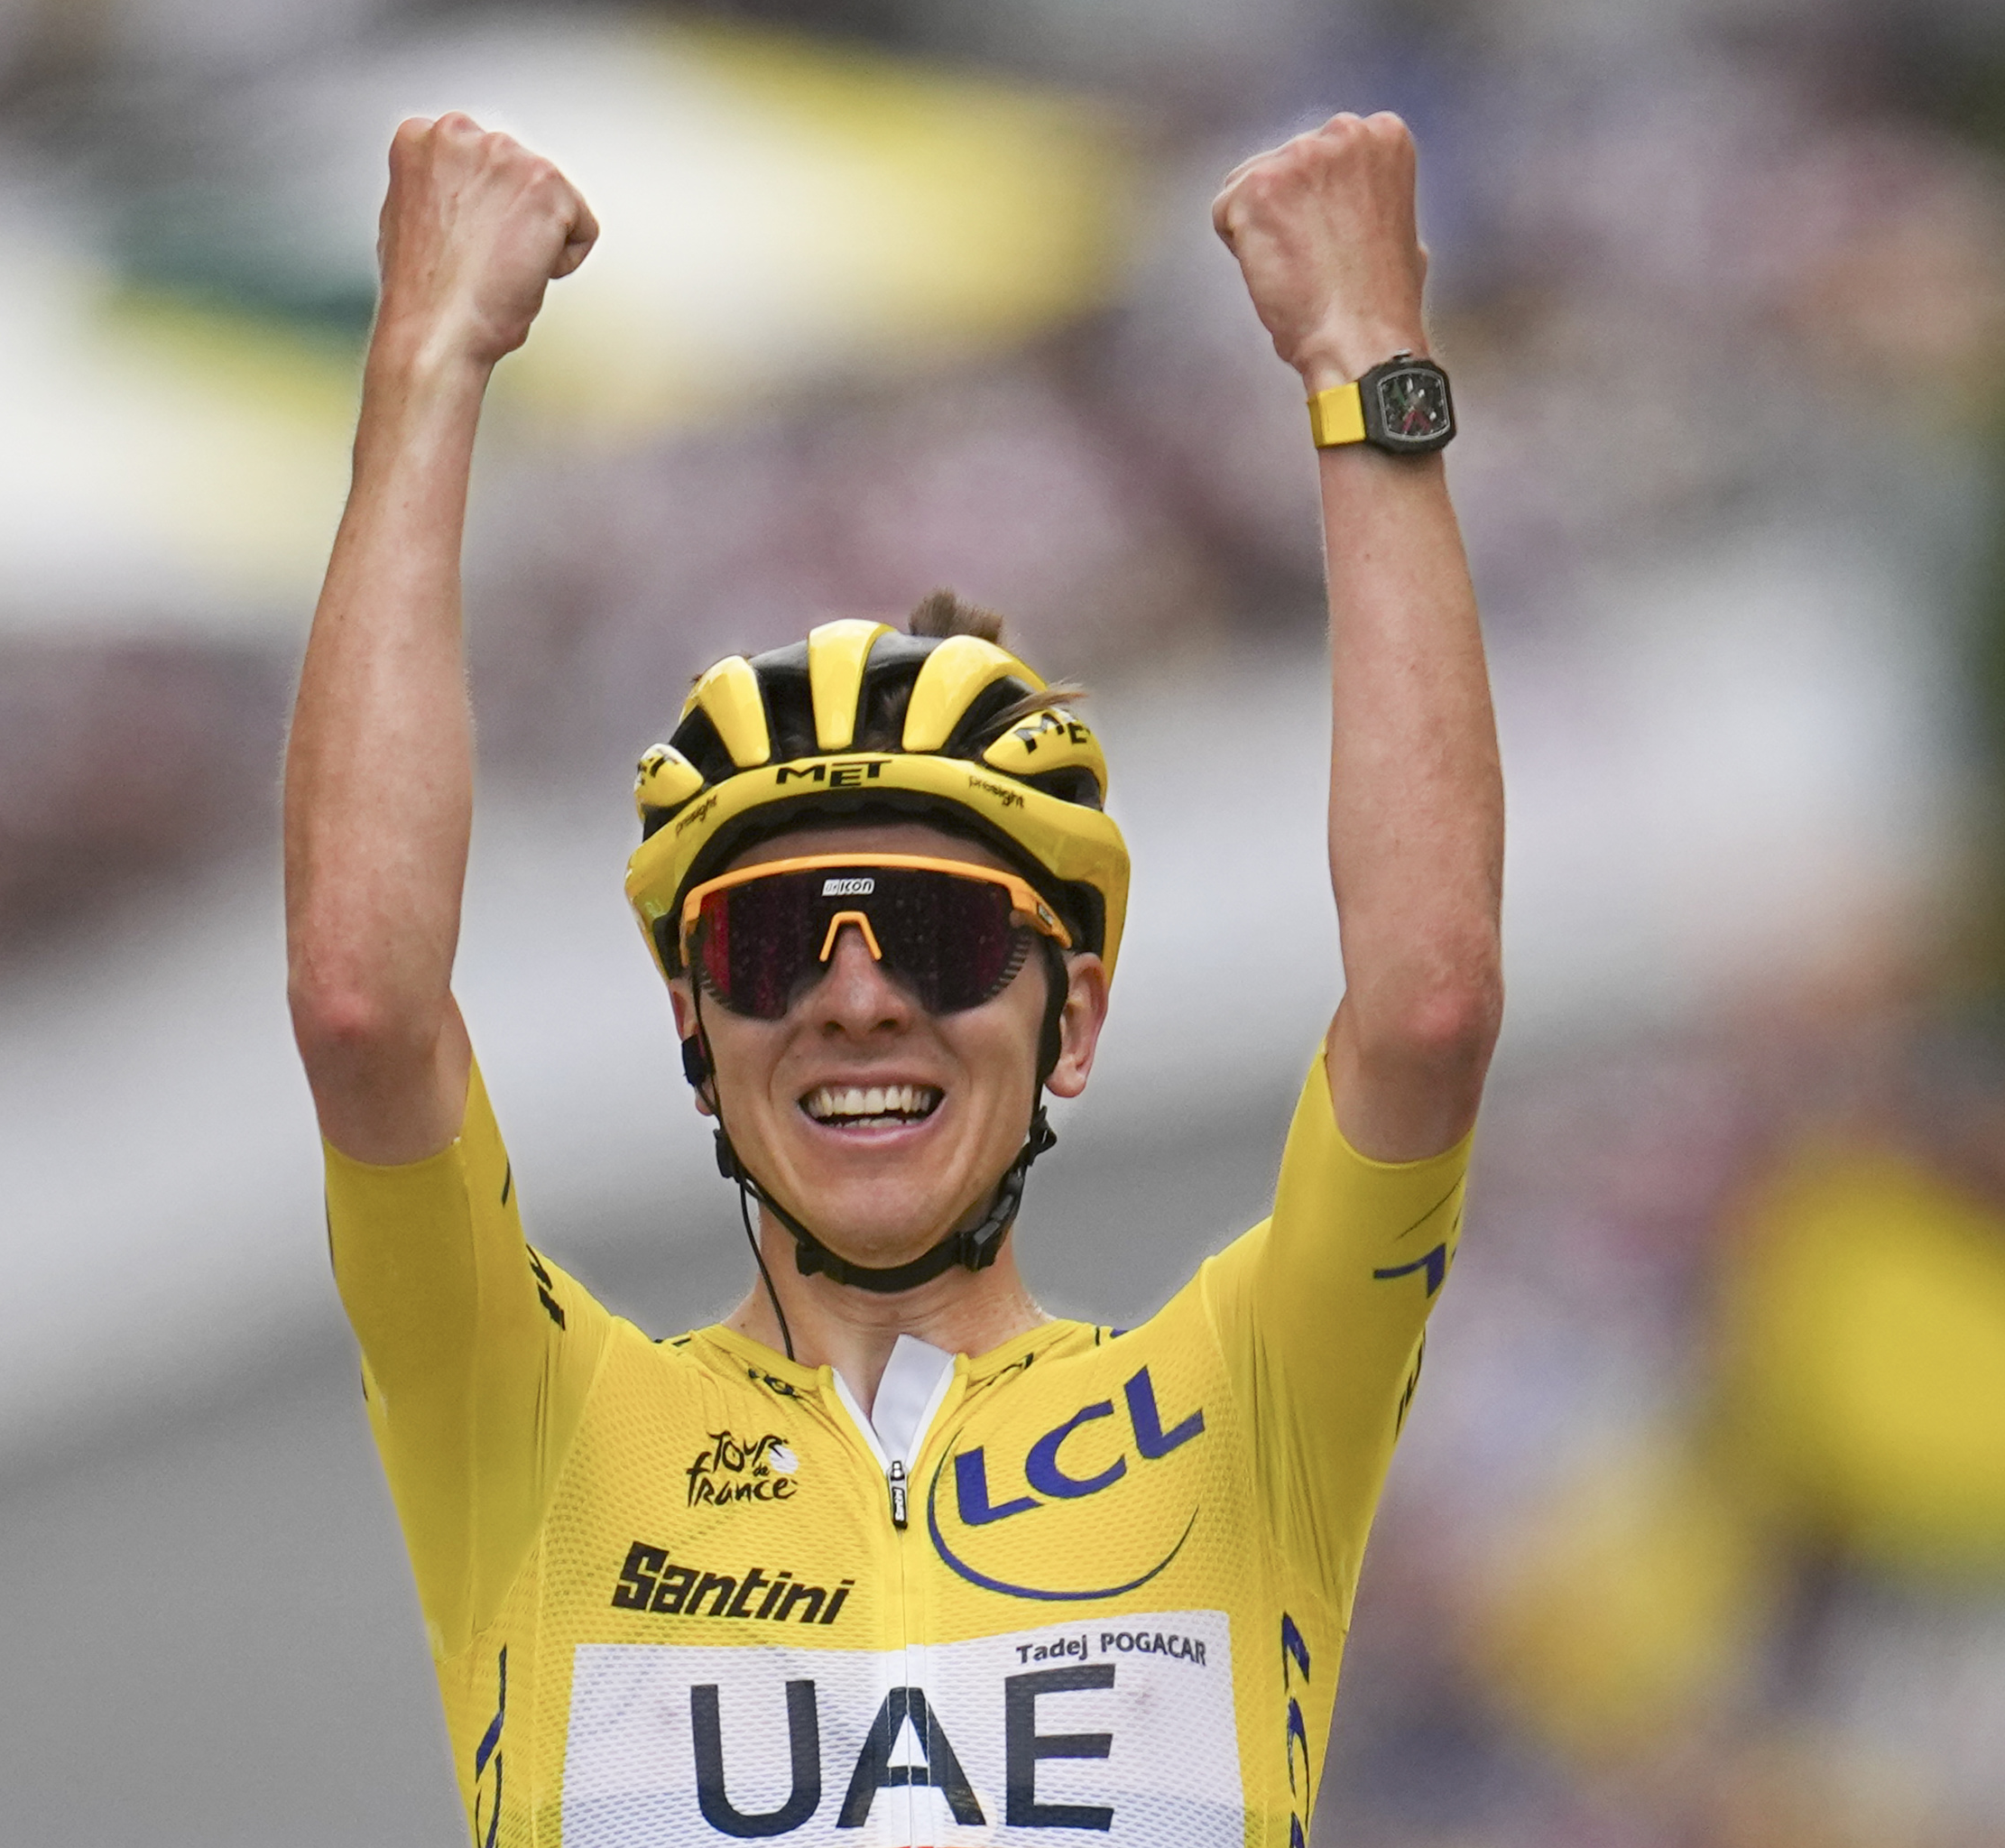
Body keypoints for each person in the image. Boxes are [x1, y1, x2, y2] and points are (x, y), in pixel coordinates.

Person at [285, 106, 1501, 1847]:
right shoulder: (539, 1430)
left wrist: (1369, 366)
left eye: (934, 937)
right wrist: (423, 358)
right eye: (775, 946)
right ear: (698, 1030)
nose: (858, 1000)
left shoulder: (1241, 1411)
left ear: (1071, 1014)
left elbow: (1431, 1009)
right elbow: (360, 1011)